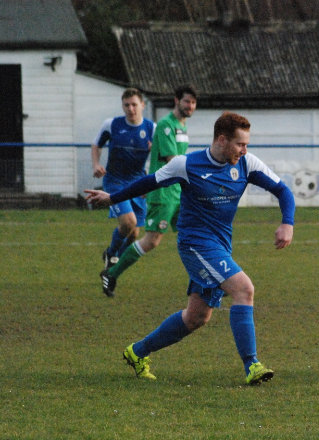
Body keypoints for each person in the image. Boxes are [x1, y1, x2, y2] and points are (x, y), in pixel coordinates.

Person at [85, 112, 295, 385]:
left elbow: (283, 191)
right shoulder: (186, 165)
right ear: (222, 140)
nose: (244, 150)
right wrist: (112, 197)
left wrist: (287, 223)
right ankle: (252, 365)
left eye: (246, 145)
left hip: (220, 246)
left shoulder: (247, 163)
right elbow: (150, 181)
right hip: (195, 244)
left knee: (196, 317)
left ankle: (137, 352)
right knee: (244, 289)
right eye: (240, 144)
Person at [100, 85, 198, 297]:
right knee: (151, 240)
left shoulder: (181, 126)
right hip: (163, 193)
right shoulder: (165, 125)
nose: (190, 106)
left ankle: (204, 280)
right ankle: (112, 273)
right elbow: (173, 161)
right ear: (176, 101)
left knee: (192, 235)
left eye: (193, 102)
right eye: (186, 101)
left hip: (178, 192)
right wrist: (199, 174)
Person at [91, 88, 155, 271]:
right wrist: (96, 164)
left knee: (134, 234)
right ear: (122, 106)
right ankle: (111, 254)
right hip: (115, 182)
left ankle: (113, 265)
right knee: (128, 222)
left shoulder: (152, 128)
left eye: (134, 104)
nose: (131, 109)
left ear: (142, 105)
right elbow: (96, 144)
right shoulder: (112, 124)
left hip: (138, 183)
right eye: (127, 105)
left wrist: (150, 184)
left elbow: (162, 156)